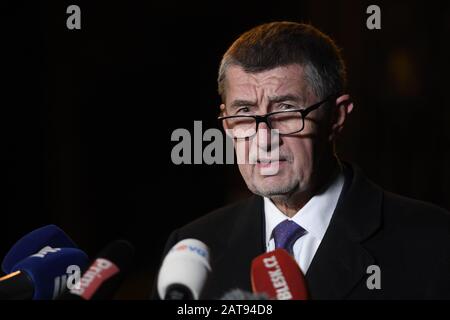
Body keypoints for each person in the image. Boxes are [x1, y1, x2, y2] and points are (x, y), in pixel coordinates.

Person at [153, 21, 450, 299]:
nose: (263, 138)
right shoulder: (192, 249)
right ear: (226, 124)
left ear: (336, 117)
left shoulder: (433, 242)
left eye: (285, 109)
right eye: (244, 112)